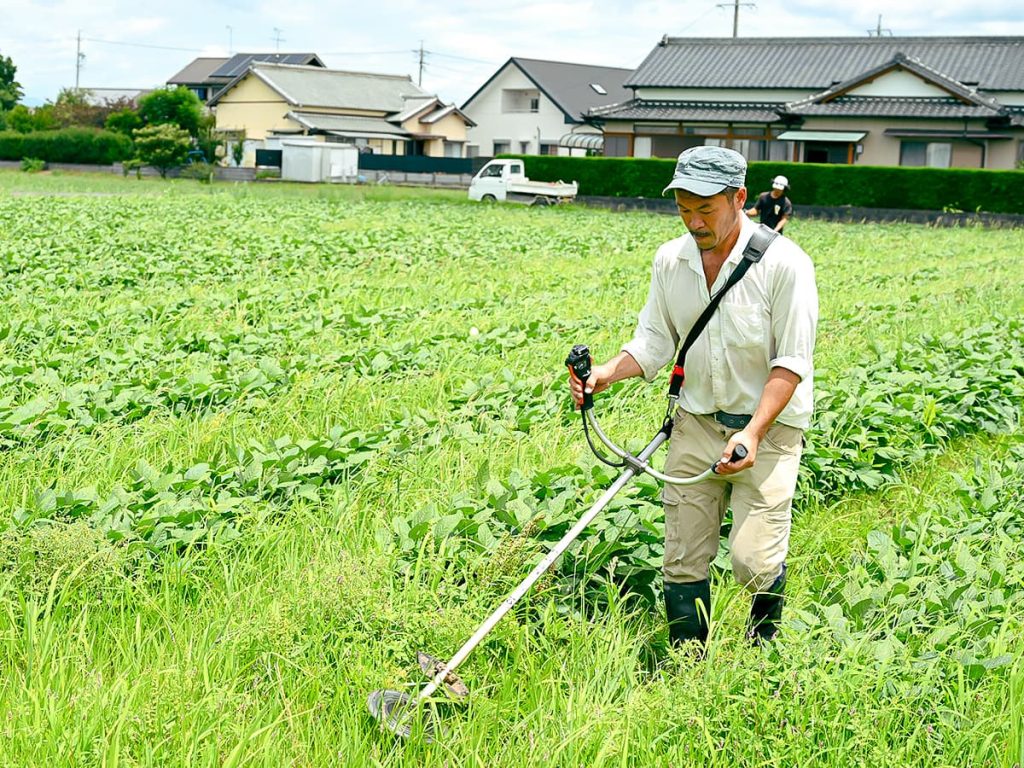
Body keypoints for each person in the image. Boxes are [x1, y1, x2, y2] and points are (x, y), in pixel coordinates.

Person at [568, 147, 817, 648]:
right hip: (696, 421)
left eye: (706, 209)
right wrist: (604, 376)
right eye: (684, 207)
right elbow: (654, 342)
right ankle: (686, 661)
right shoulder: (671, 260)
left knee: (752, 562)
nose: (693, 221)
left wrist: (752, 432)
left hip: (767, 431)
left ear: (740, 198)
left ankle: (761, 653)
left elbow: (790, 362)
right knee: (682, 555)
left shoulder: (785, 264)